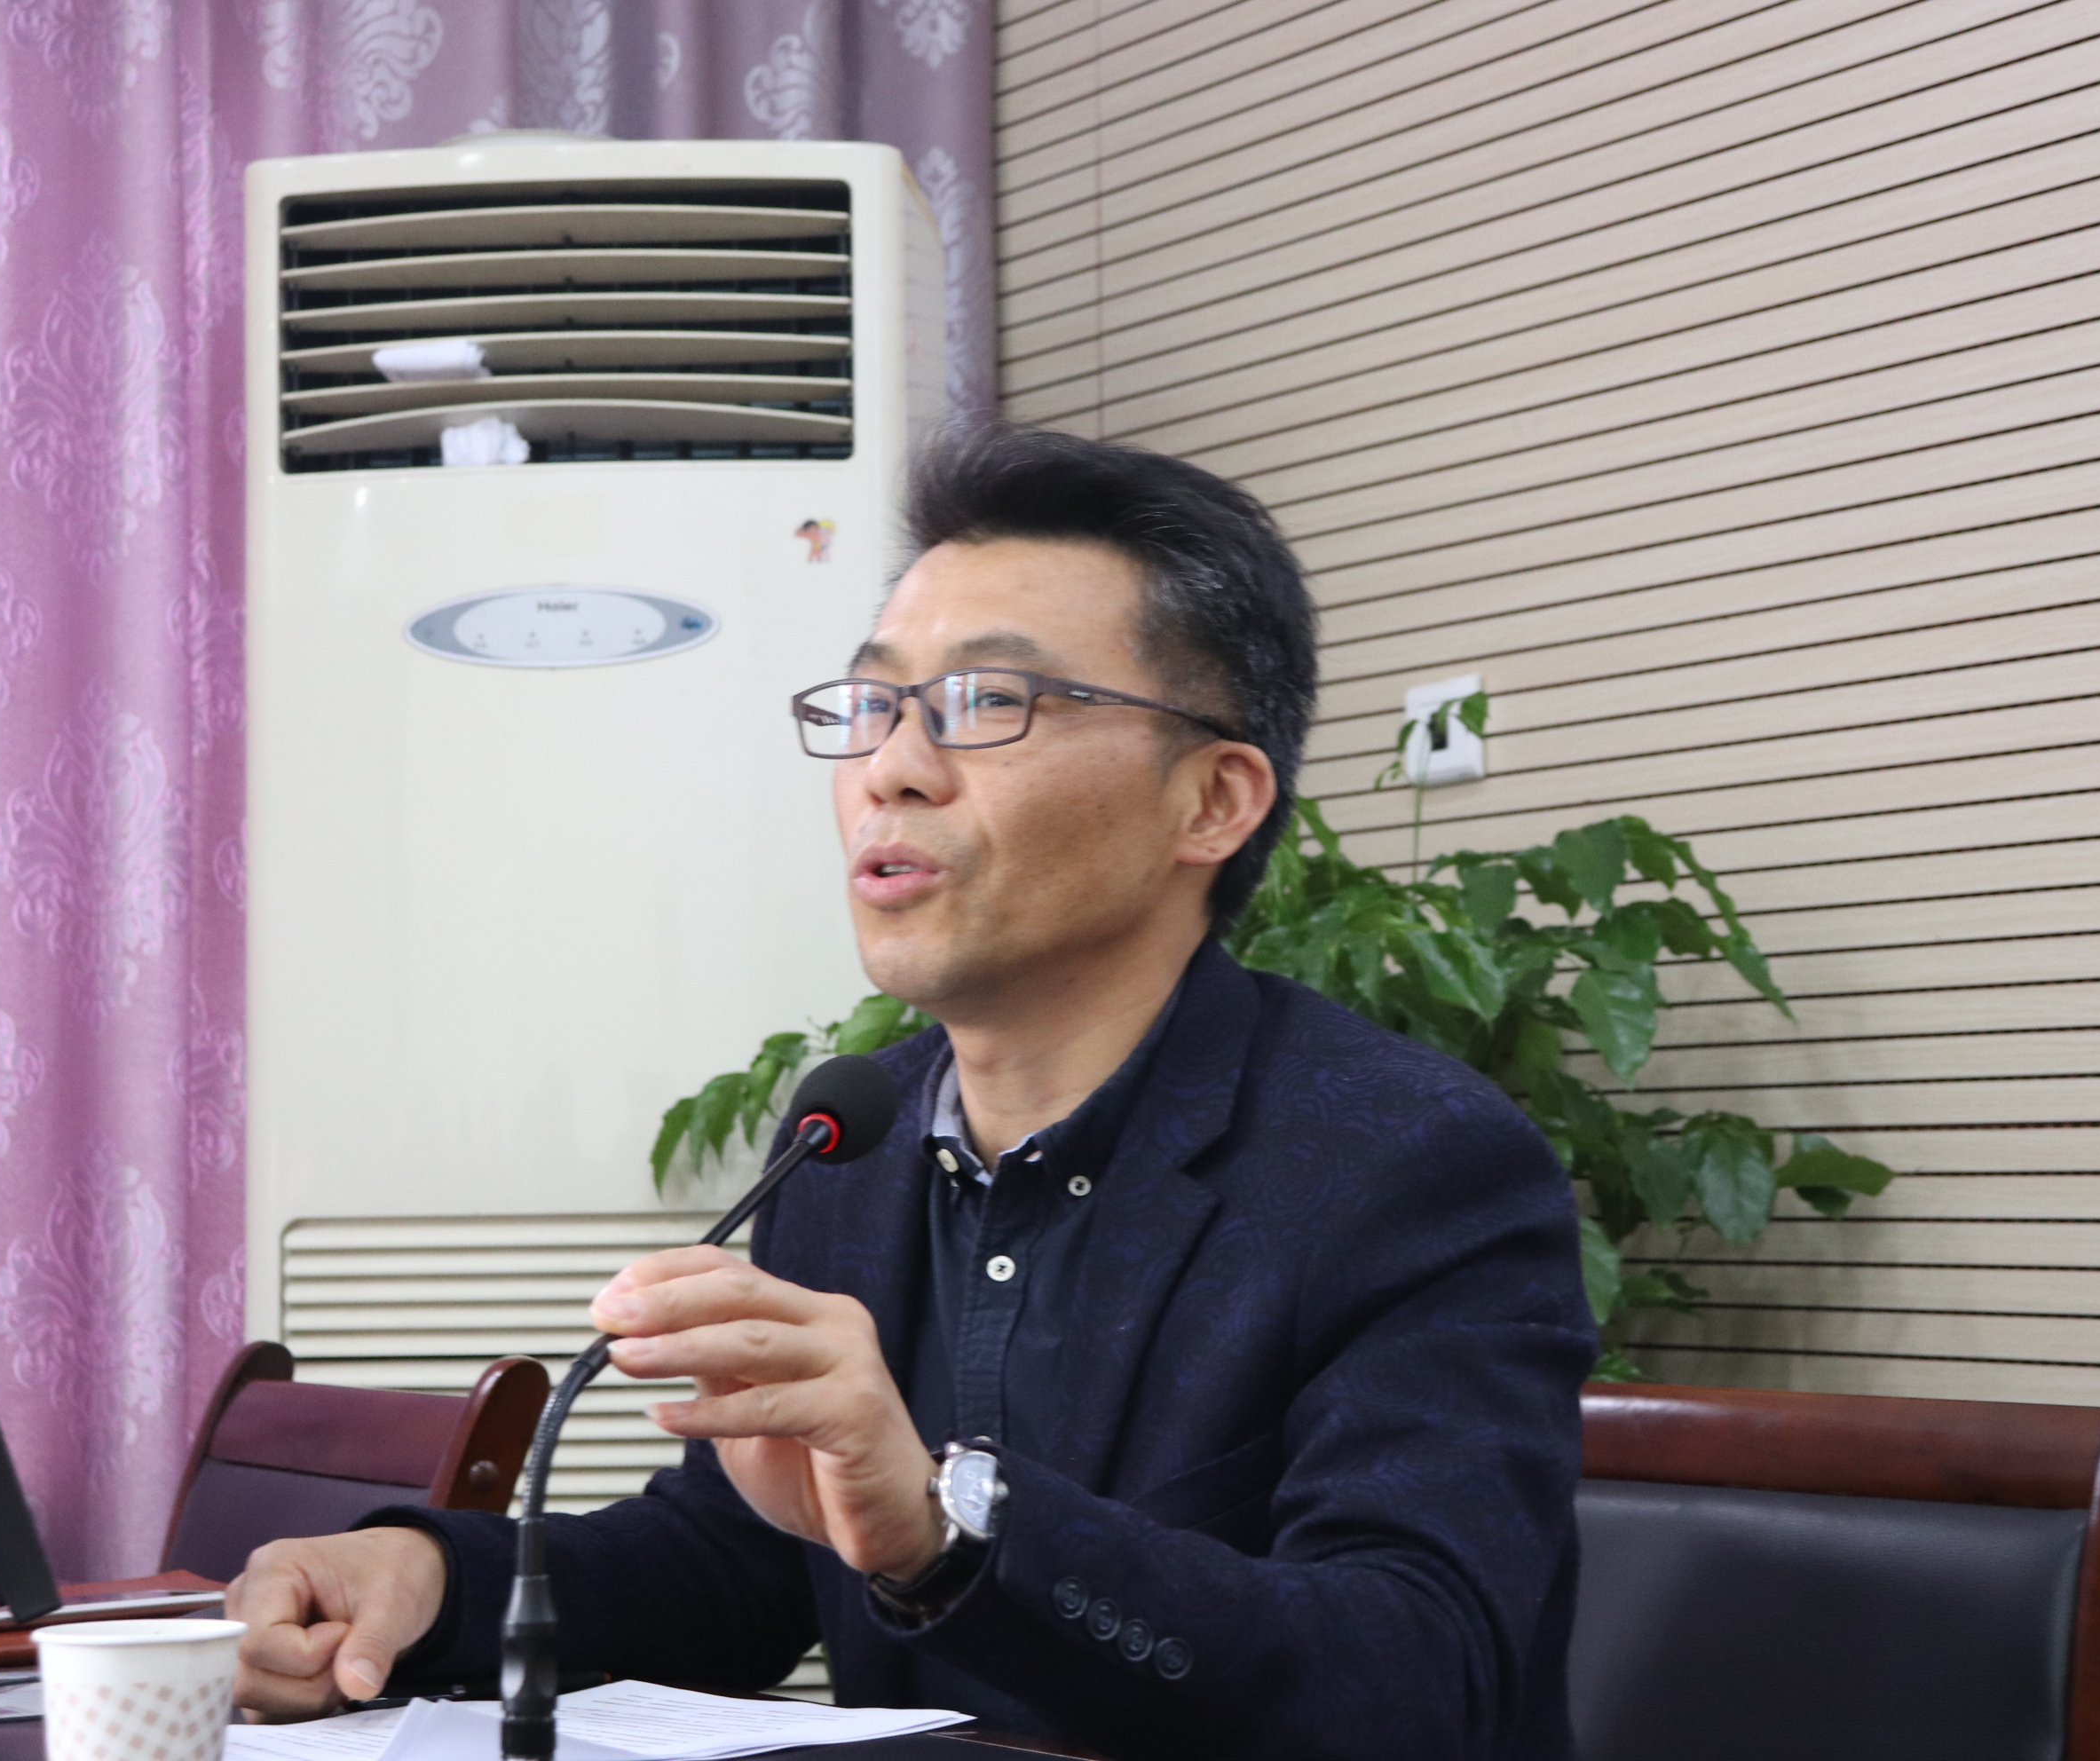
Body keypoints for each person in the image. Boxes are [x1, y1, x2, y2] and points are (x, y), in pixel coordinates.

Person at [229, 426, 1596, 1760]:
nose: (890, 767)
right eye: (874, 704)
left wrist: (948, 1532)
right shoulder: (851, 1141)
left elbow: (1419, 1680)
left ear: (1213, 802)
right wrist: (431, 1583)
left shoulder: (1410, 1165)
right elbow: (739, 1561)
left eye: (987, 703)